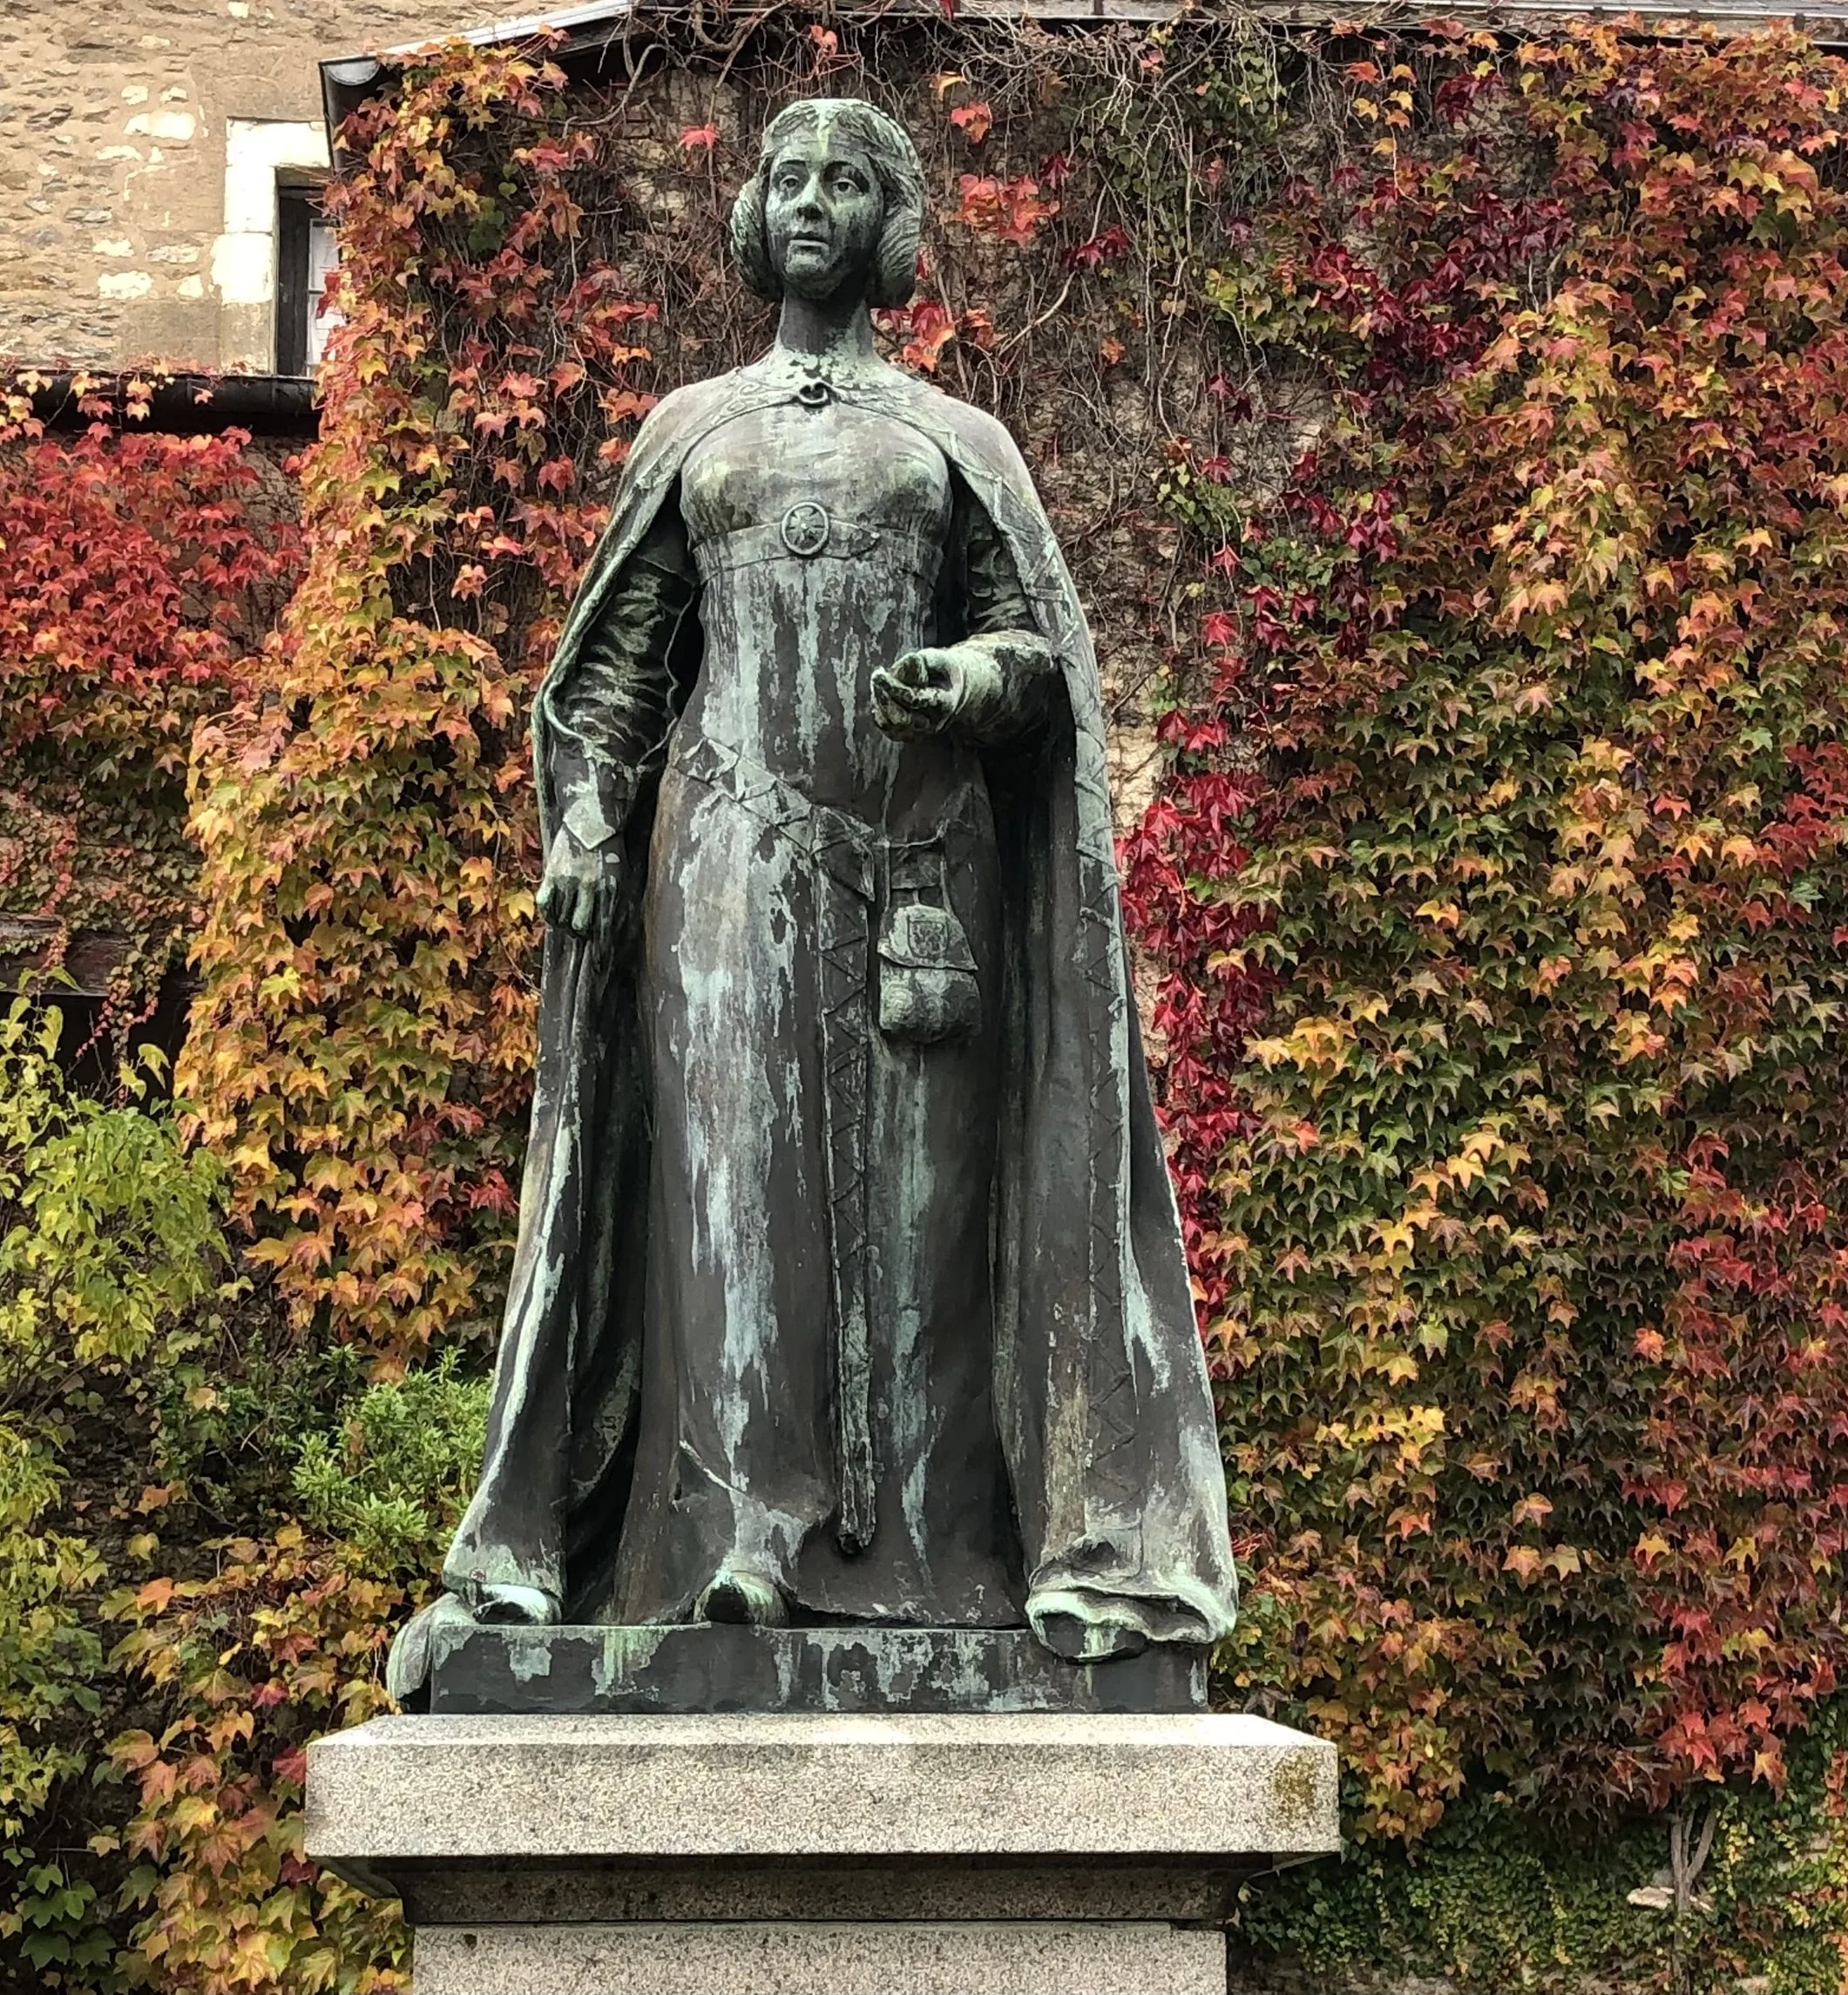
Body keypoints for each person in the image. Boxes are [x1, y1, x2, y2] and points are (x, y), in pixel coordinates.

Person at [414, 98, 1235, 1674]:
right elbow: (609, 682)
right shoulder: (694, 430)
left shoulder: (953, 442)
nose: (812, 201)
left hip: (917, 877)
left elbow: (1040, 658)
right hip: (724, 855)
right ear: (755, 215)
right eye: (788, 177)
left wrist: (975, 680)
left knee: (926, 1229)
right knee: (729, 1203)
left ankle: (933, 1564)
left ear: (891, 223)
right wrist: (585, 826)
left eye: (847, 180)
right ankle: (734, 1543)